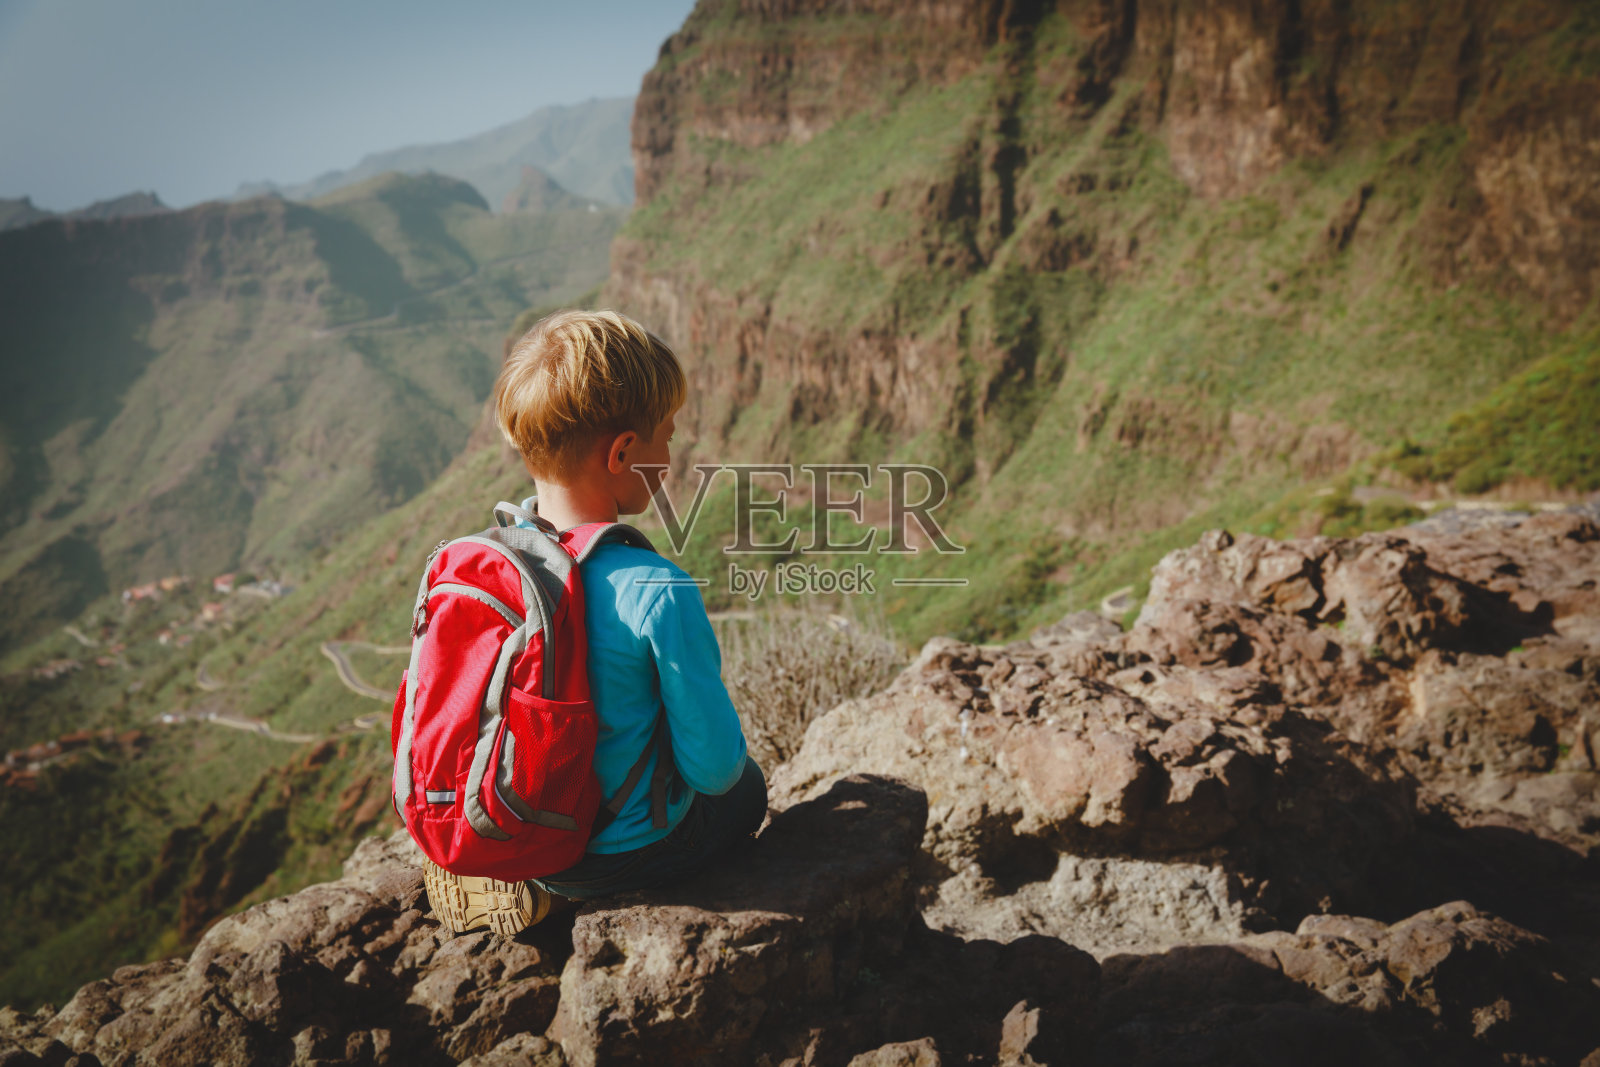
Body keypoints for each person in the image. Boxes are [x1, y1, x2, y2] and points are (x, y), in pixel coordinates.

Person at [425, 308, 766, 932]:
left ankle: (521, 874)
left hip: (514, 827)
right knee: (749, 792)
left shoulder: (483, 565)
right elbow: (713, 772)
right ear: (623, 452)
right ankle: (573, 894)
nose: (672, 451)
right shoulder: (657, 590)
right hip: (617, 855)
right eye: (667, 434)